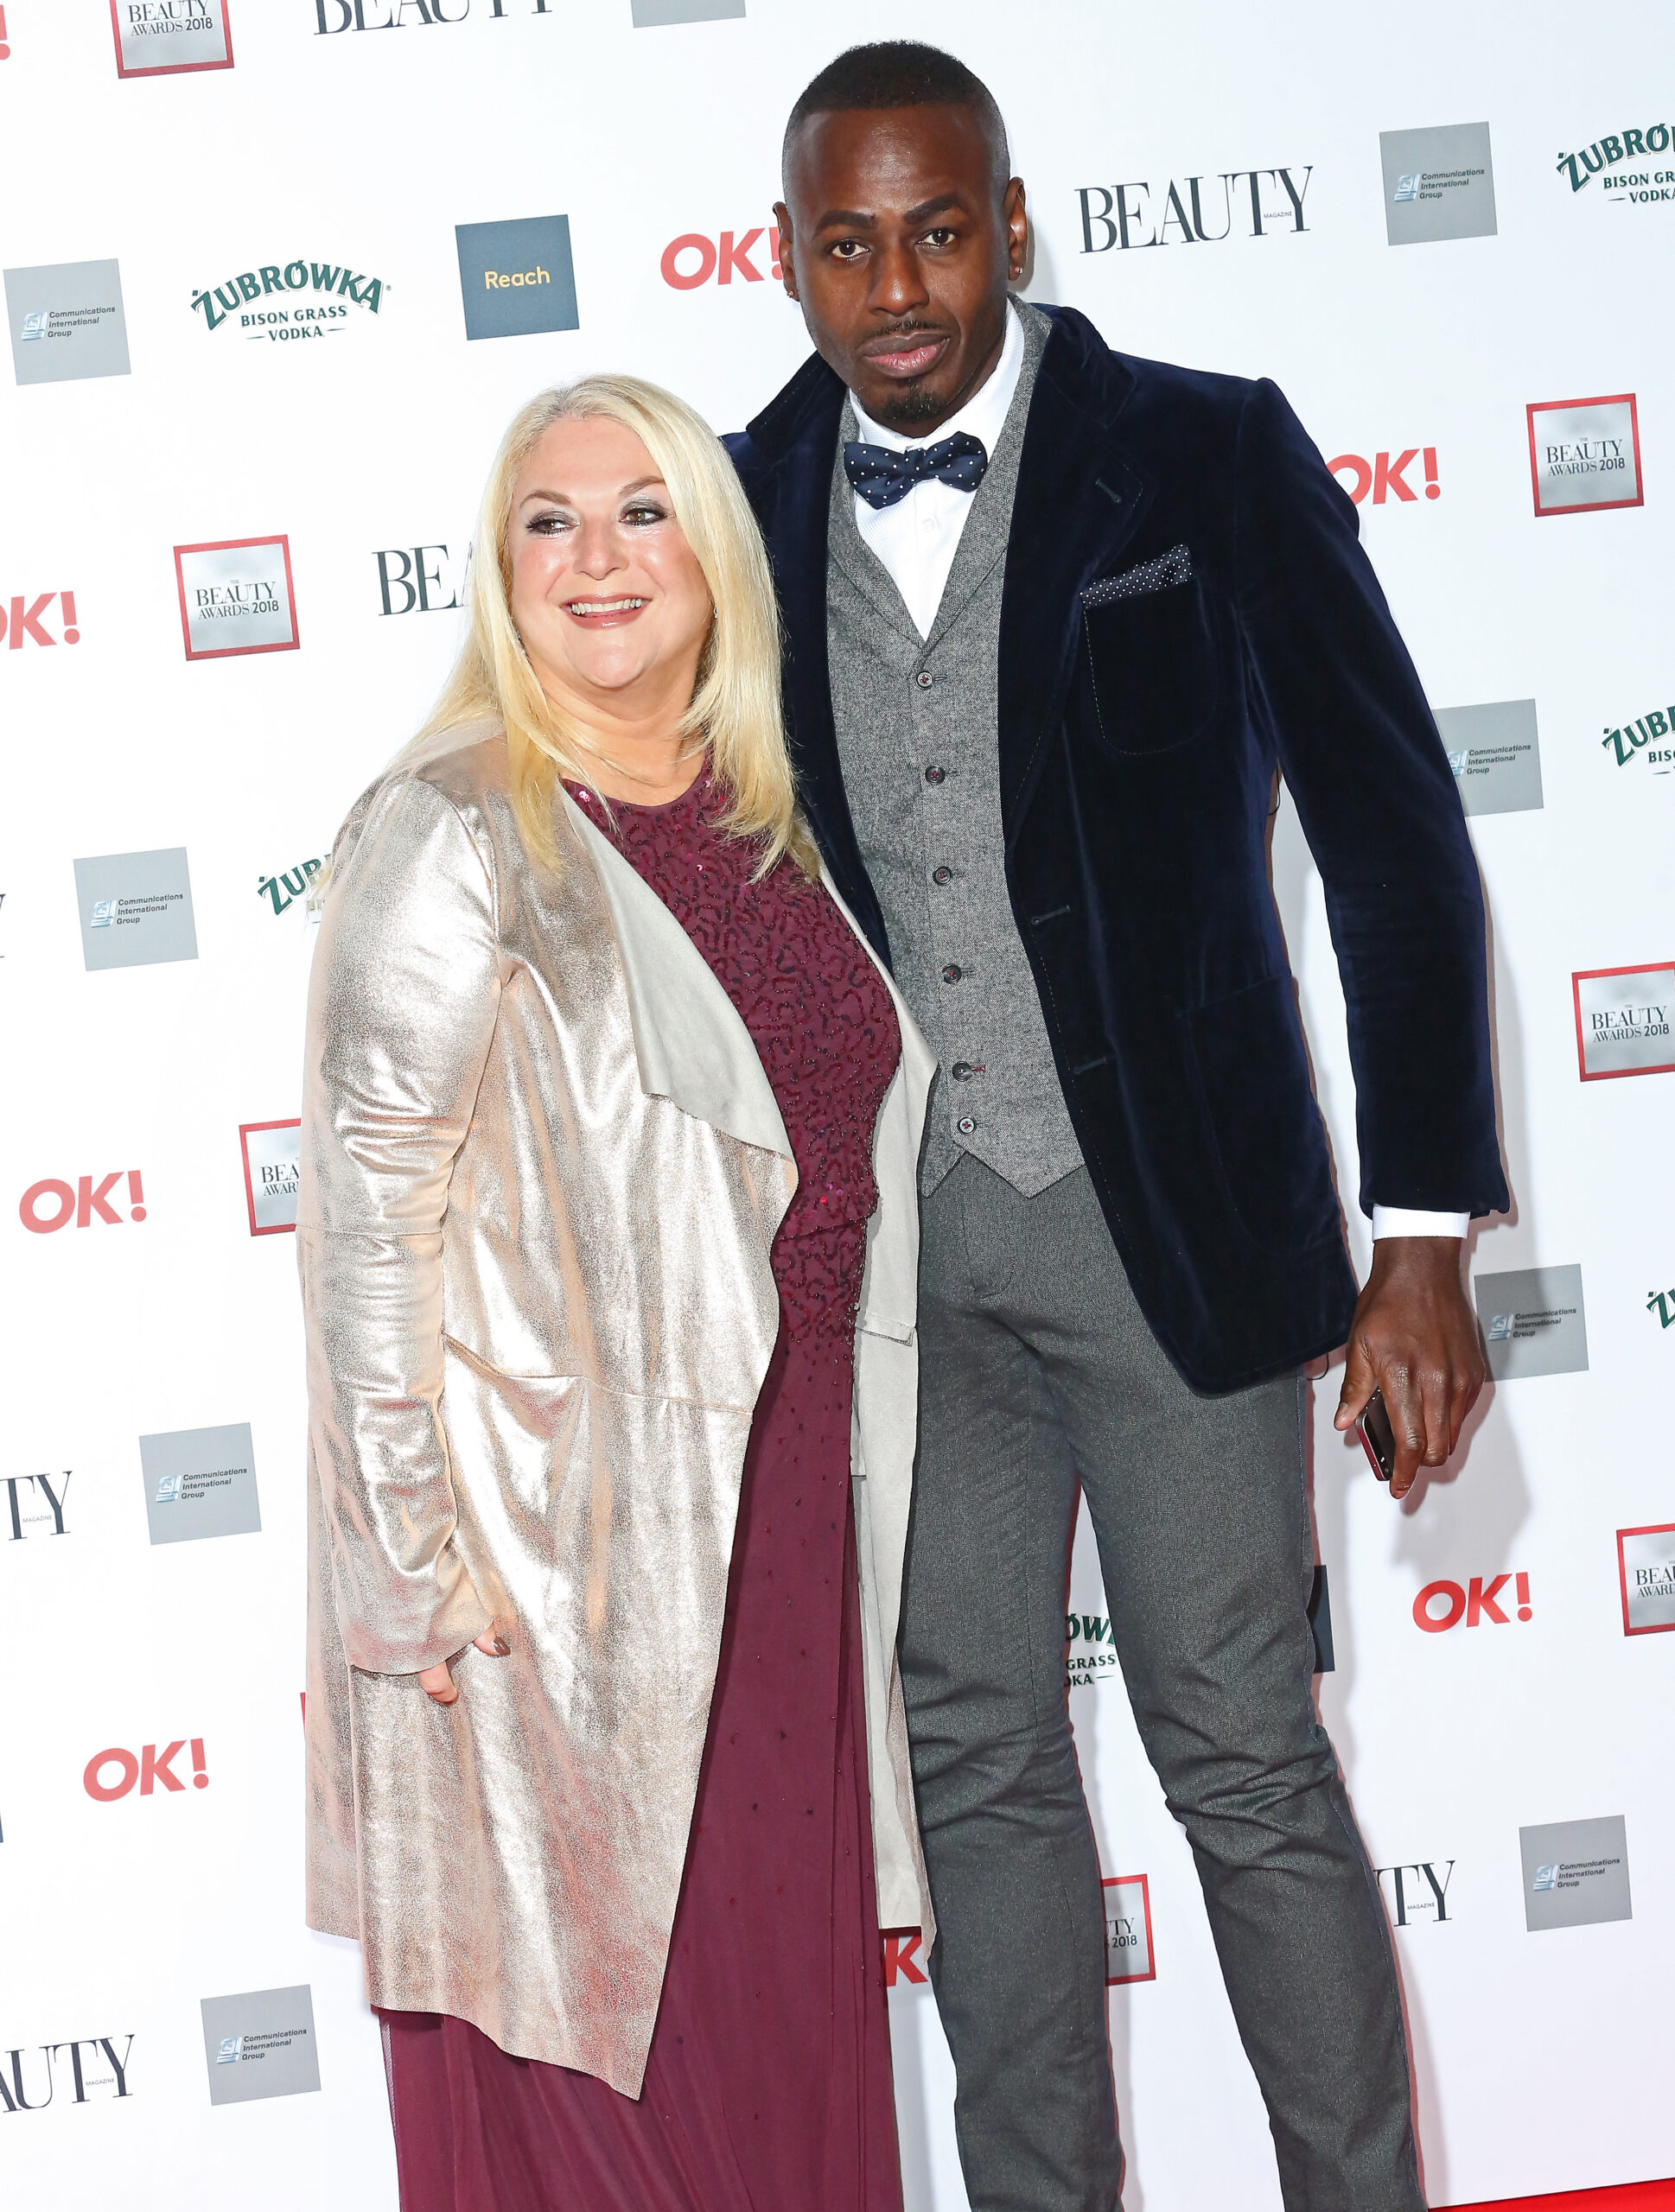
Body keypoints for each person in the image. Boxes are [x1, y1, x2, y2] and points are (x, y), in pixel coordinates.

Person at [725, 41, 1509, 2212]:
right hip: (900, 1272)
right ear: (786, 256)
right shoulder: (726, 503)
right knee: (977, 1775)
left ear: (1013, 221)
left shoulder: (1204, 452)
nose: (901, 285)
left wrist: (1423, 1227)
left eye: (941, 228)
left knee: (1245, 1760)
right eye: (851, 240)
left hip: (1178, 1243)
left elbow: (1391, 834)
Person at [297, 372, 937, 2212]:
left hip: (788, 1503)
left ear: (714, 554)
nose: (599, 557)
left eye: (644, 510)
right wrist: (413, 1558)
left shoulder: (766, 820)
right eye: (550, 520)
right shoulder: (455, 823)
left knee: (775, 2043)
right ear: (500, 569)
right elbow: (366, 1213)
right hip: (552, 1559)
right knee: (610, 2065)